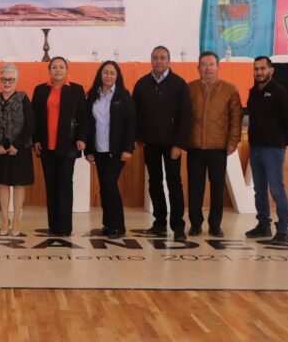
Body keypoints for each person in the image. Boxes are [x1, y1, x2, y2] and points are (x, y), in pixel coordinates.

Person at [132, 45, 191, 241]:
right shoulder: (142, 84)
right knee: (154, 183)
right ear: (151, 60)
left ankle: (178, 226)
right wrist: (139, 137)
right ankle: (159, 223)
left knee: (174, 183)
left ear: (169, 60)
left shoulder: (179, 84)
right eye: (155, 58)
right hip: (150, 143)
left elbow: (185, 117)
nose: (159, 61)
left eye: (162, 57)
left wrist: (179, 144)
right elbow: (135, 114)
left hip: (172, 145)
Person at [186, 51, 242, 238]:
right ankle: (195, 225)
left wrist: (233, 141)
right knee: (195, 188)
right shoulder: (189, 88)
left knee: (217, 189)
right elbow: (182, 117)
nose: (207, 68)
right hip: (194, 147)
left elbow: (236, 119)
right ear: (198, 68)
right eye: (204, 65)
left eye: (211, 64)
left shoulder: (230, 90)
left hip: (218, 148)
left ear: (218, 67)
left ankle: (215, 225)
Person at [245, 56, 288, 245]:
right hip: (256, 148)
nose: (259, 72)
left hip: (273, 149)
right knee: (259, 189)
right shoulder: (253, 93)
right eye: (256, 69)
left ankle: (283, 230)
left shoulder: (280, 92)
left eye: (263, 69)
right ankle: (263, 225)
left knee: (276, 189)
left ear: (271, 70)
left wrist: (283, 140)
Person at [32, 57, 87, 237]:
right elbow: (35, 118)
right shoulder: (40, 90)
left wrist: (82, 138)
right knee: (51, 186)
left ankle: (64, 227)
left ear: (67, 70)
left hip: (67, 145)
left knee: (64, 185)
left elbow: (83, 117)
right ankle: (53, 226)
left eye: (61, 67)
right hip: (46, 145)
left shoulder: (76, 90)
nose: (58, 70)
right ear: (49, 70)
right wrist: (36, 140)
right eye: (54, 67)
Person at [84, 61, 135, 240]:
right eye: (105, 72)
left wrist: (128, 148)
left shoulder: (123, 95)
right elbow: (88, 124)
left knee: (110, 185)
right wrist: (88, 150)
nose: (108, 76)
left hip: (117, 150)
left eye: (112, 73)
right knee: (104, 187)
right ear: (100, 74)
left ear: (117, 76)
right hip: (99, 149)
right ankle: (108, 224)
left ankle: (118, 226)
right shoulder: (92, 95)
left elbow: (131, 123)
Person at [0, 63, 34, 236]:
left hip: (20, 149)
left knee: (19, 184)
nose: (7, 83)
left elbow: (30, 125)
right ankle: (5, 219)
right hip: (0, 150)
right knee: (3, 183)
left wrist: (17, 145)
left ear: (16, 81)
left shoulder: (23, 98)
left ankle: (16, 219)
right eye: (4, 79)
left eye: (11, 80)